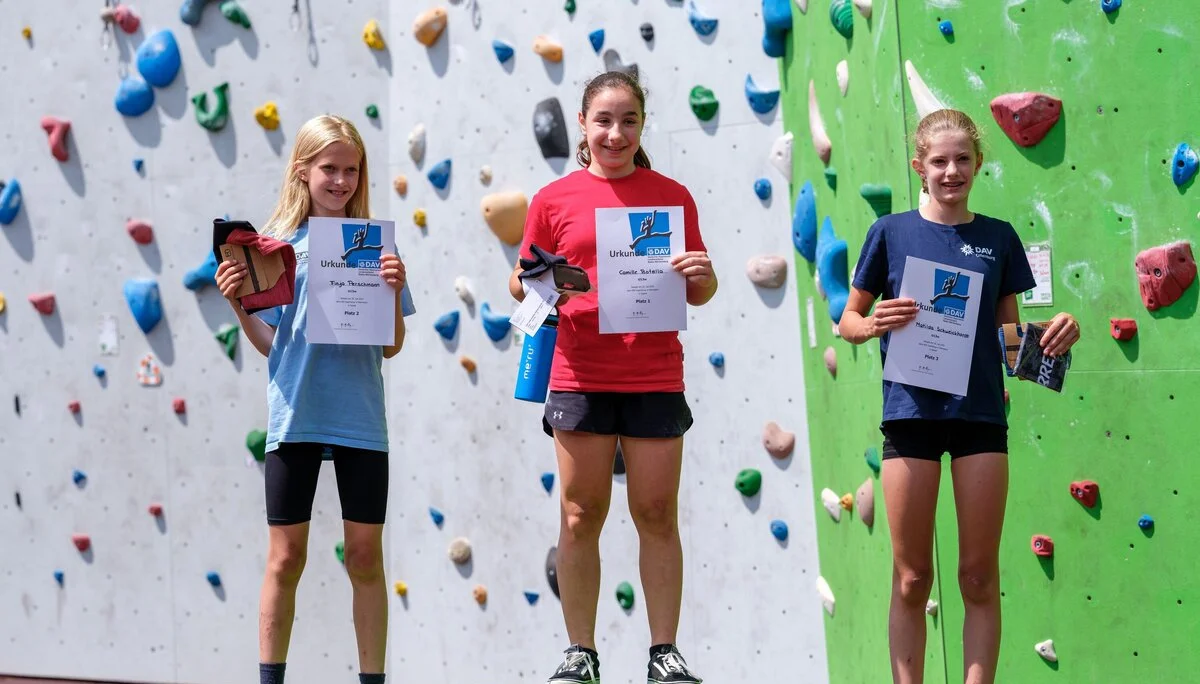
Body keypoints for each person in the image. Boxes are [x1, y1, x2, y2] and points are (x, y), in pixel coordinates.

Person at [838, 109, 1080, 684]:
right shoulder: (890, 233)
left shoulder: (998, 238)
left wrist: (1060, 336)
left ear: (978, 164)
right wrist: (871, 324)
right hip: (910, 416)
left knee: (977, 575)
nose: (951, 171)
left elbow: (1013, 348)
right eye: (939, 162)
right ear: (919, 166)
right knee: (911, 578)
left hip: (980, 419)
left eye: (963, 160)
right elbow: (846, 319)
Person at [508, 71, 717, 684]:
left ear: (642, 126)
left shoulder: (672, 196)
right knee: (580, 514)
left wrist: (700, 273)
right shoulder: (553, 200)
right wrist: (548, 279)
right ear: (582, 124)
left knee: (656, 513)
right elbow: (520, 285)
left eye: (628, 121)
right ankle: (581, 653)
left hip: (654, 375)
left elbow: (702, 292)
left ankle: (664, 655)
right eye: (604, 121)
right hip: (578, 375)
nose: (616, 133)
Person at [215, 114, 415, 684]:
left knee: (365, 559)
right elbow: (269, 344)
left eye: (351, 170)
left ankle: (372, 679)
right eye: (329, 168)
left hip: (359, 418)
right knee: (285, 558)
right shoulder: (273, 248)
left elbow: (392, 346)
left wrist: (394, 293)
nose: (341, 180)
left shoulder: (376, 247)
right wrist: (238, 305)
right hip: (295, 415)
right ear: (303, 171)